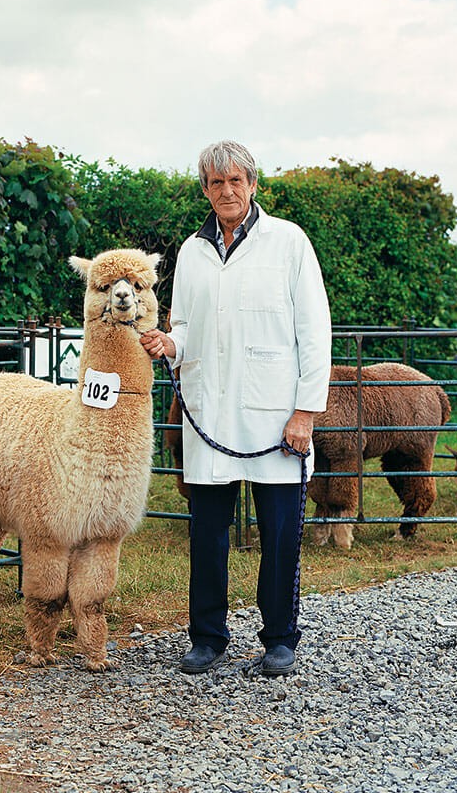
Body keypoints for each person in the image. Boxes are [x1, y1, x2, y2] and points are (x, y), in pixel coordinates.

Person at [140, 140, 331, 676]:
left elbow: (315, 333)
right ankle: (207, 636)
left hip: (275, 419)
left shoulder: (289, 243)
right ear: (205, 189)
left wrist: (305, 413)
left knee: (279, 534)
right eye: (216, 183)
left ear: (253, 184)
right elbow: (185, 329)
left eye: (236, 181)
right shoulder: (192, 251)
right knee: (207, 534)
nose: (227, 191)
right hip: (211, 415)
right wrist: (167, 345)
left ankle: (279, 639)